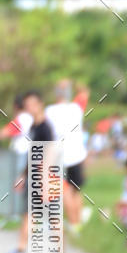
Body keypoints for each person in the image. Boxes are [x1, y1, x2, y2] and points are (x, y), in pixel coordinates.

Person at [4, 90, 55, 253]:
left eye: (33, 104)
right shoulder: (34, 127)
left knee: (50, 215)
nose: (30, 108)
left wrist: (44, 179)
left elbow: (49, 152)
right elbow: (32, 154)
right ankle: (21, 249)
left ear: (40, 104)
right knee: (31, 214)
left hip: (43, 176)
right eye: (27, 106)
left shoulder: (45, 128)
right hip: (34, 174)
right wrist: (23, 175)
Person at [45, 80, 87, 234]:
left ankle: (72, 223)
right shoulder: (76, 108)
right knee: (76, 190)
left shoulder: (49, 110)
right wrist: (72, 83)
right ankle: (78, 223)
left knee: (65, 191)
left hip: (60, 155)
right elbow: (84, 92)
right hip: (77, 155)